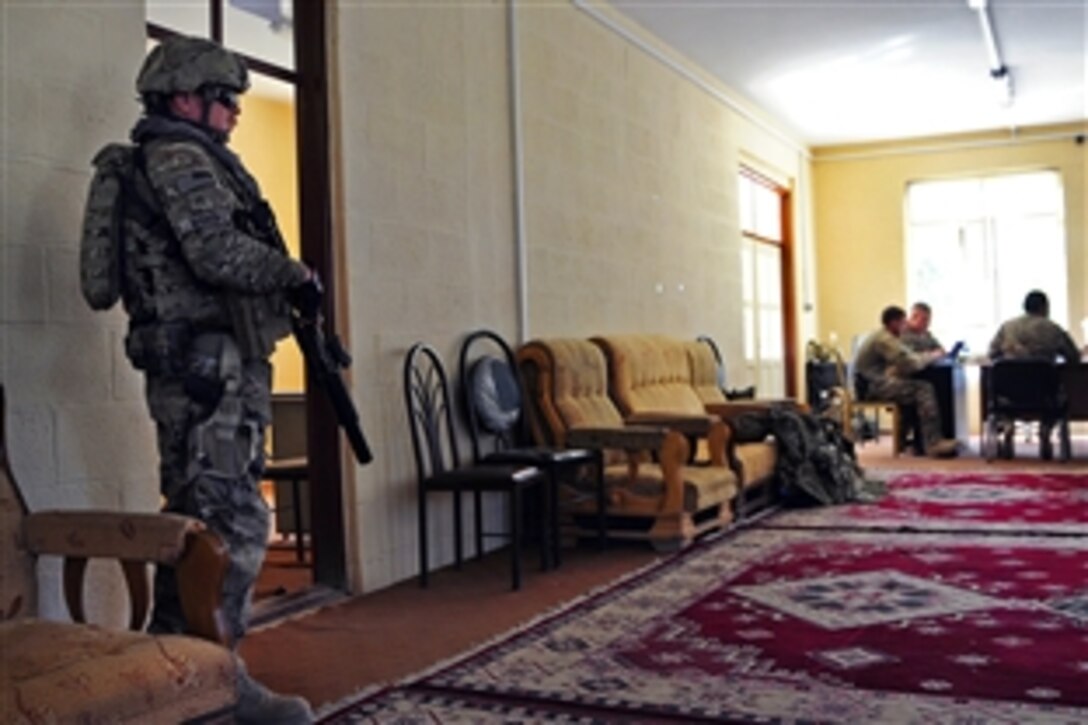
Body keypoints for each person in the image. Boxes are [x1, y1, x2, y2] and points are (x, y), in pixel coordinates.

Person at [109, 36, 317, 723]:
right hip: (203, 373)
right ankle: (220, 685)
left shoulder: (188, 158)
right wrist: (293, 273)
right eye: (223, 98)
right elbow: (215, 251)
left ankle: (176, 677)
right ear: (184, 98)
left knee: (198, 529)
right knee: (233, 527)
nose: (232, 112)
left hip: (210, 370)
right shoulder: (177, 157)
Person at [852, 306, 959, 458]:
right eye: (903, 322)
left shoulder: (886, 336)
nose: (906, 325)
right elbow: (911, 363)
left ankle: (910, 441)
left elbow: (909, 357)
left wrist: (926, 356)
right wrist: (932, 356)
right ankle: (933, 443)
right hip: (873, 387)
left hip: (875, 383)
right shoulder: (885, 339)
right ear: (894, 323)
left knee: (912, 387)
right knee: (923, 389)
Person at [988, 290, 1080, 362]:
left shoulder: (1007, 327)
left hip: (1010, 383)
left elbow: (992, 353)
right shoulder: (1053, 329)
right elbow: (1073, 356)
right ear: (1044, 307)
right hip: (1043, 383)